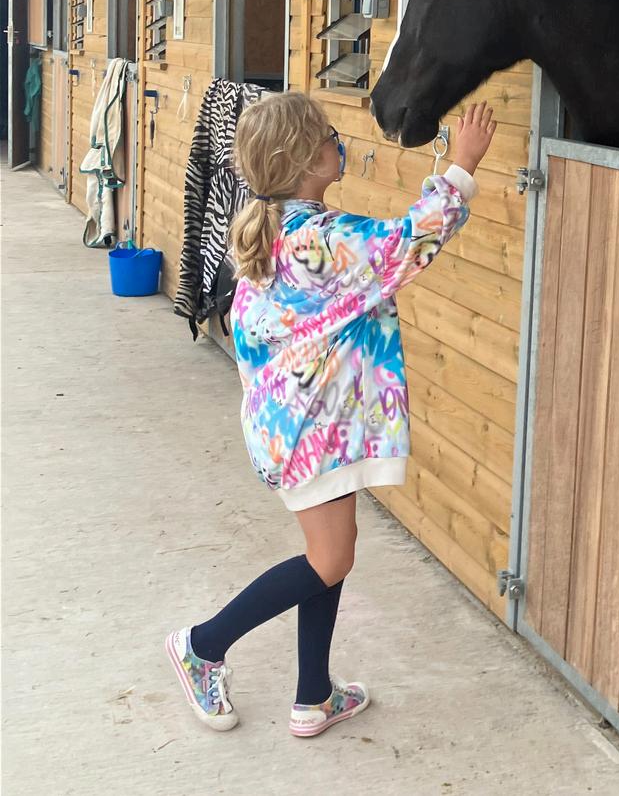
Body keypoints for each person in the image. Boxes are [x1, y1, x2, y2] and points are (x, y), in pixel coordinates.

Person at [166, 92, 497, 737]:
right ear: (303, 159)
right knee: (329, 560)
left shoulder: (282, 228)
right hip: (307, 431)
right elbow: (406, 244)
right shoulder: (318, 240)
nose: (336, 141)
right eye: (326, 135)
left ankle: (313, 696)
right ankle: (202, 645)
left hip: (305, 424)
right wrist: (461, 165)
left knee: (331, 550)